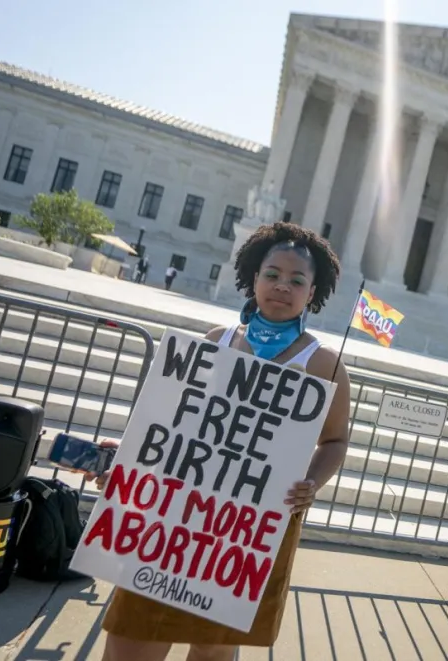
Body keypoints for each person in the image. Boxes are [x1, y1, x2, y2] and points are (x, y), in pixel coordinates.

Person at [89, 222, 352, 661]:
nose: (282, 287)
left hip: (245, 531)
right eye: (272, 274)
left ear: (313, 292)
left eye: (297, 280)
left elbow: (337, 439)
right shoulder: (217, 341)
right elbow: (171, 422)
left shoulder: (324, 364)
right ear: (253, 277)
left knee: (214, 647)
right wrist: (132, 458)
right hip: (175, 515)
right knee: (132, 635)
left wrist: (311, 482)